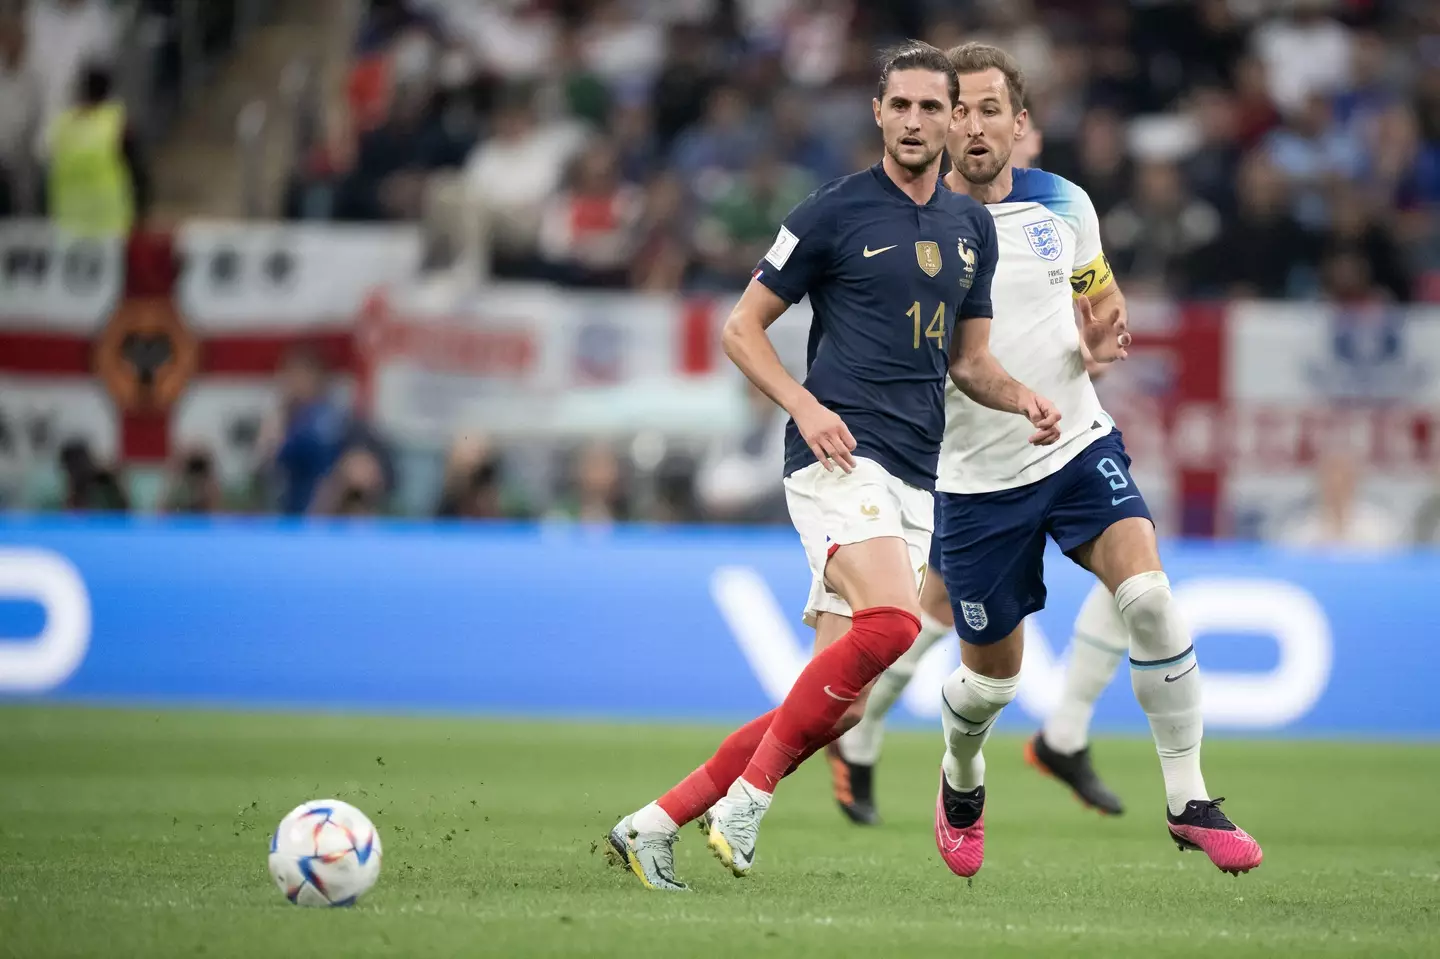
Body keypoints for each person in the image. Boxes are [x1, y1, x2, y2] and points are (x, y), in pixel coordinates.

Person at [605, 41, 1060, 891]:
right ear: (879, 114)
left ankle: (652, 823)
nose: (921, 121)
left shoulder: (968, 230)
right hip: (836, 456)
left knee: (831, 707)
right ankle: (747, 800)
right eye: (906, 106)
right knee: (893, 622)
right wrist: (805, 405)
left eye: (938, 107)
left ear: (956, 118)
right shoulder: (833, 213)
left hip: (915, 477)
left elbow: (969, 362)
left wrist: (1024, 397)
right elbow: (741, 329)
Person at [909, 42, 1261, 879]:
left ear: (1019, 124)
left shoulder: (1064, 203)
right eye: (957, 108)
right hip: (978, 482)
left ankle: (1189, 799)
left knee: (1148, 595)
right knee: (990, 686)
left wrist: (1102, 334)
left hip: (1075, 445)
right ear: (938, 122)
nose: (974, 123)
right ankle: (961, 778)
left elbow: (1098, 298)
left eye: (991, 108)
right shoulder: (914, 227)